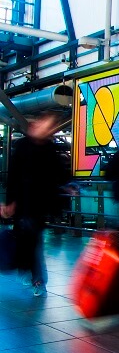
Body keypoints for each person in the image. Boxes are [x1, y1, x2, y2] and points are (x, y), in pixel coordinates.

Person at [1, 113, 69, 297]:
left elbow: (58, 174)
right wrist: (9, 203)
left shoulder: (49, 148)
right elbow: (13, 177)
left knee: (33, 241)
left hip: (39, 206)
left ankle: (32, 274)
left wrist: (66, 188)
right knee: (30, 241)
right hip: (23, 204)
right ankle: (32, 274)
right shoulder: (23, 146)